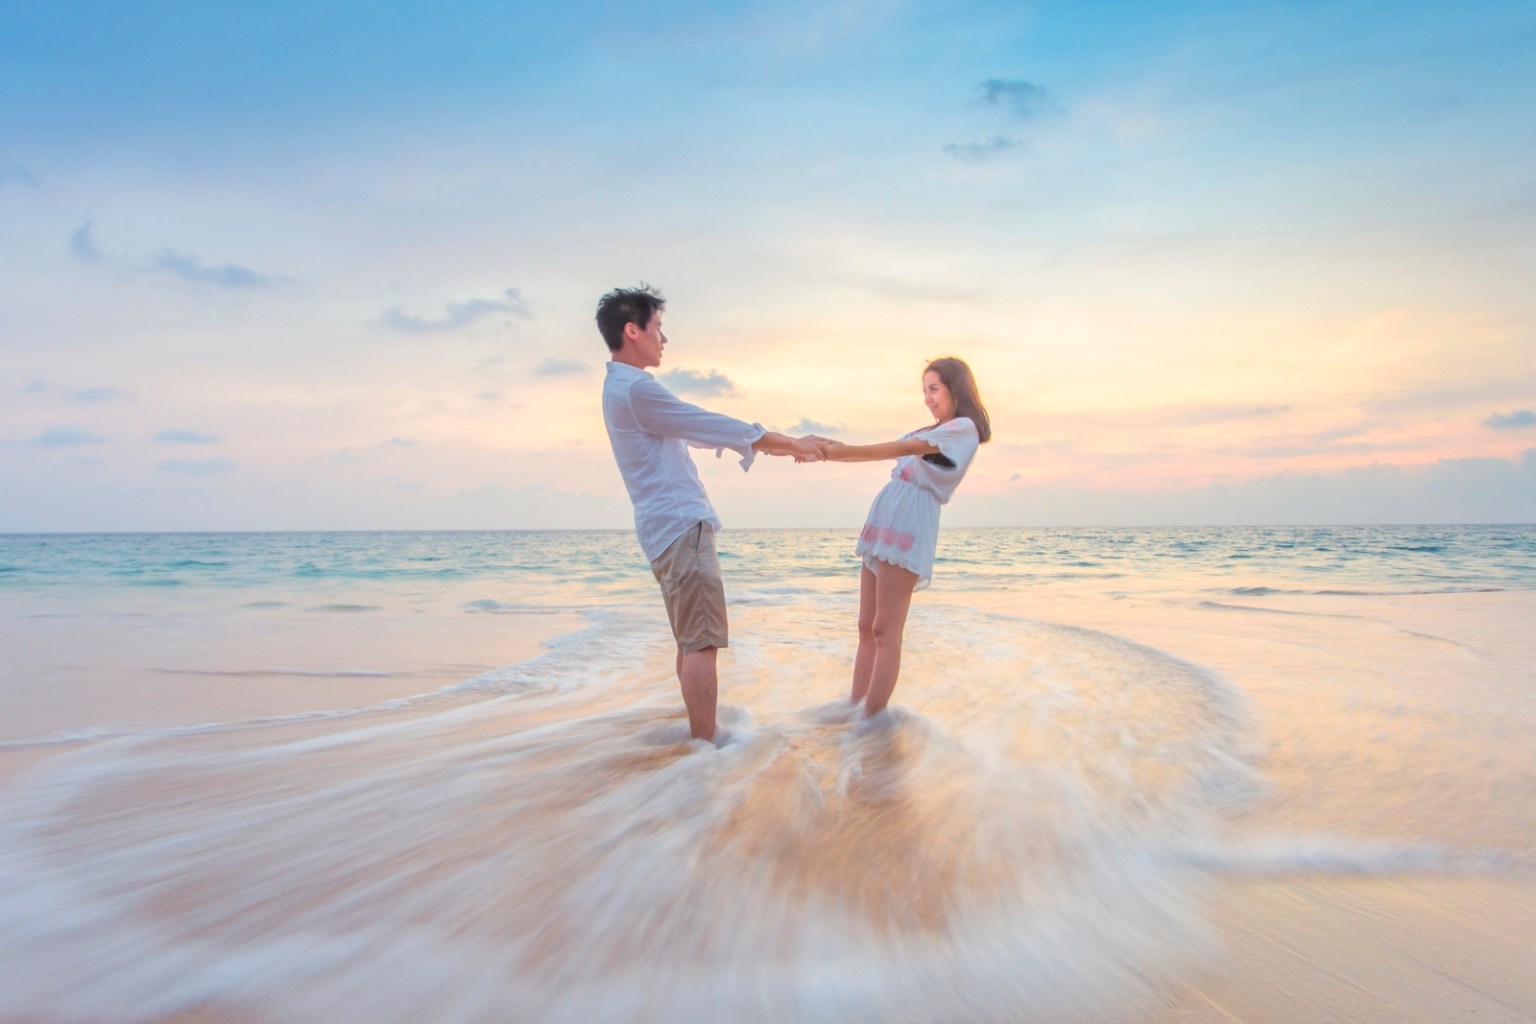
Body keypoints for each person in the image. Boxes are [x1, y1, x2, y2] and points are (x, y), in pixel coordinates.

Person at [597, 284, 821, 743]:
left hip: (662, 530)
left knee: (689, 641)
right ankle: (705, 752)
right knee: (701, 642)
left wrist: (772, 446)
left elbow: (695, 431)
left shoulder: (619, 388)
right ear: (632, 330)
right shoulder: (636, 390)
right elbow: (709, 423)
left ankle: (699, 752)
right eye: (658, 328)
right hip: (681, 527)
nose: (664, 339)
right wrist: (790, 443)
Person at [816, 357, 991, 716]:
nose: (927, 398)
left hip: (911, 520)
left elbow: (903, 450)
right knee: (866, 625)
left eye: (934, 389)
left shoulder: (963, 428)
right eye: (924, 391)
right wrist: (820, 449)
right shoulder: (928, 430)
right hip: (886, 516)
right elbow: (891, 448)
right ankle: (854, 709)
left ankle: (870, 721)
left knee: (885, 630)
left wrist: (841, 453)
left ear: (956, 388)